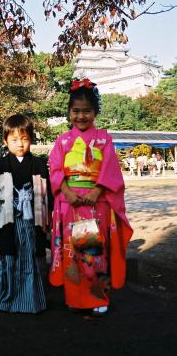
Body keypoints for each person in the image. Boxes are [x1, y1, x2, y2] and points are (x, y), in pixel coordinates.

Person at [48, 78, 133, 316]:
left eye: (87, 111)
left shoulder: (104, 139)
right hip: (70, 202)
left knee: (95, 253)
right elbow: (55, 169)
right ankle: (75, 298)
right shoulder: (62, 141)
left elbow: (110, 169)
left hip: (97, 202)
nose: (81, 116)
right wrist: (66, 192)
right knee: (72, 253)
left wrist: (97, 191)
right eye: (76, 111)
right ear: (69, 113)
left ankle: (98, 297)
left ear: (95, 112)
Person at [0, 114, 53, 314]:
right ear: (5, 141)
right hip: (9, 220)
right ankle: (7, 295)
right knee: (9, 253)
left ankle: (31, 299)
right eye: (14, 139)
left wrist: (48, 218)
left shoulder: (38, 164)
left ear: (31, 139)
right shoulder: (0, 165)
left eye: (25, 139)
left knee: (32, 254)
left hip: (32, 220)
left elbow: (46, 196)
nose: (20, 144)